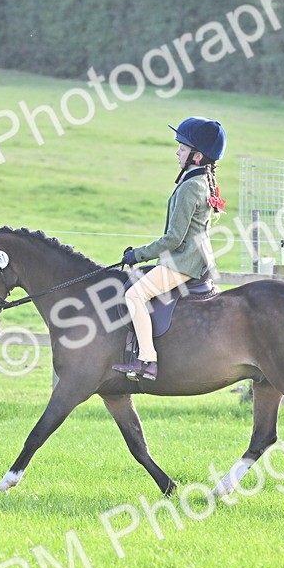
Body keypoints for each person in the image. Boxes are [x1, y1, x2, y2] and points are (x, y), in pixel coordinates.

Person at [111, 117, 227, 381]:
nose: (177, 152)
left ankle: (147, 360)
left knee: (134, 295)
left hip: (185, 261)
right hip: (193, 257)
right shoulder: (201, 181)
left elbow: (173, 239)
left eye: (182, 148)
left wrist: (137, 255)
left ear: (197, 156)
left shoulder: (190, 187)